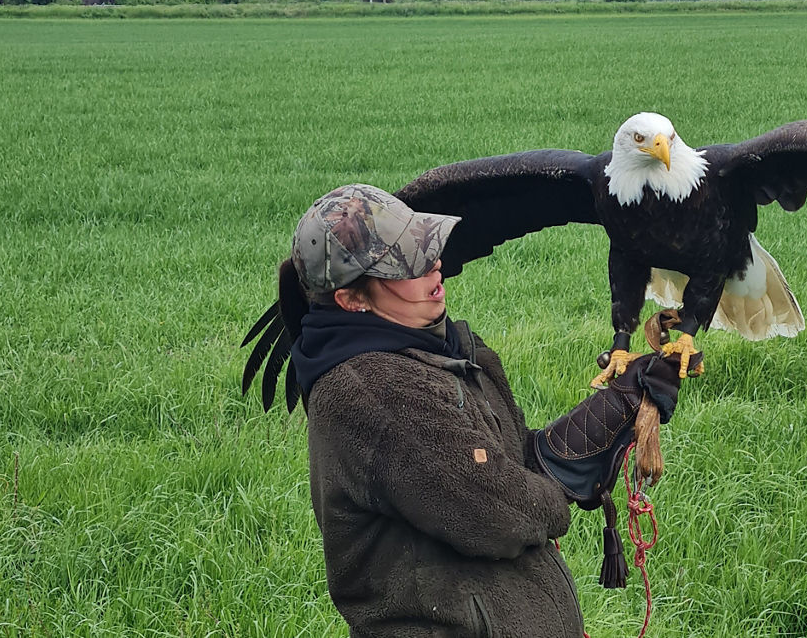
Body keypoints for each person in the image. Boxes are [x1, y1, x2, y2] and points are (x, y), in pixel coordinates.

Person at [282, 183, 686, 638]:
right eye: (405, 263)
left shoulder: (448, 348)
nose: (432, 263)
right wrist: (556, 491)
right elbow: (497, 511)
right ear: (351, 300)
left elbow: (511, 462)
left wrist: (620, 404)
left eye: (424, 246)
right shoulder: (372, 392)